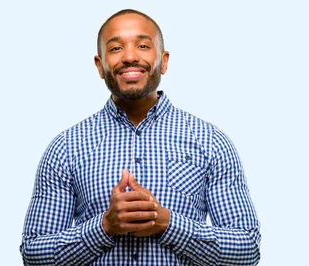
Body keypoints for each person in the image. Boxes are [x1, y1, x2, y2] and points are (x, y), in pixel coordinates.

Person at [20, 9, 261, 265]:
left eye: (143, 45)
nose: (130, 56)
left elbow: (247, 249)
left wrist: (167, 224)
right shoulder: (65, 147)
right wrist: (104, 227)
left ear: (164, 61)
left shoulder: (211, 141)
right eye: (115, 49)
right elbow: (34, 254)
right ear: (100, 66)